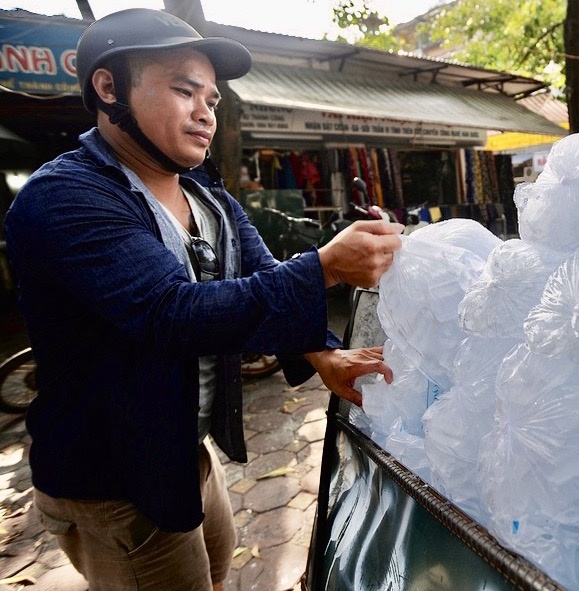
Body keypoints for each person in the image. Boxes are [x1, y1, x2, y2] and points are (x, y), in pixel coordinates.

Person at [2, 8, 403, 591]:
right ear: (109, 88)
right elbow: (172, 314)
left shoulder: (207, 198)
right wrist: (326, 267)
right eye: (184, 91)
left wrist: (323, 354)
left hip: (180, 449)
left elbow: (262, 278)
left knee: (216, 569)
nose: (205, 114)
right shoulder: (64, 199)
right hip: (114, 478)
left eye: (212, 100)